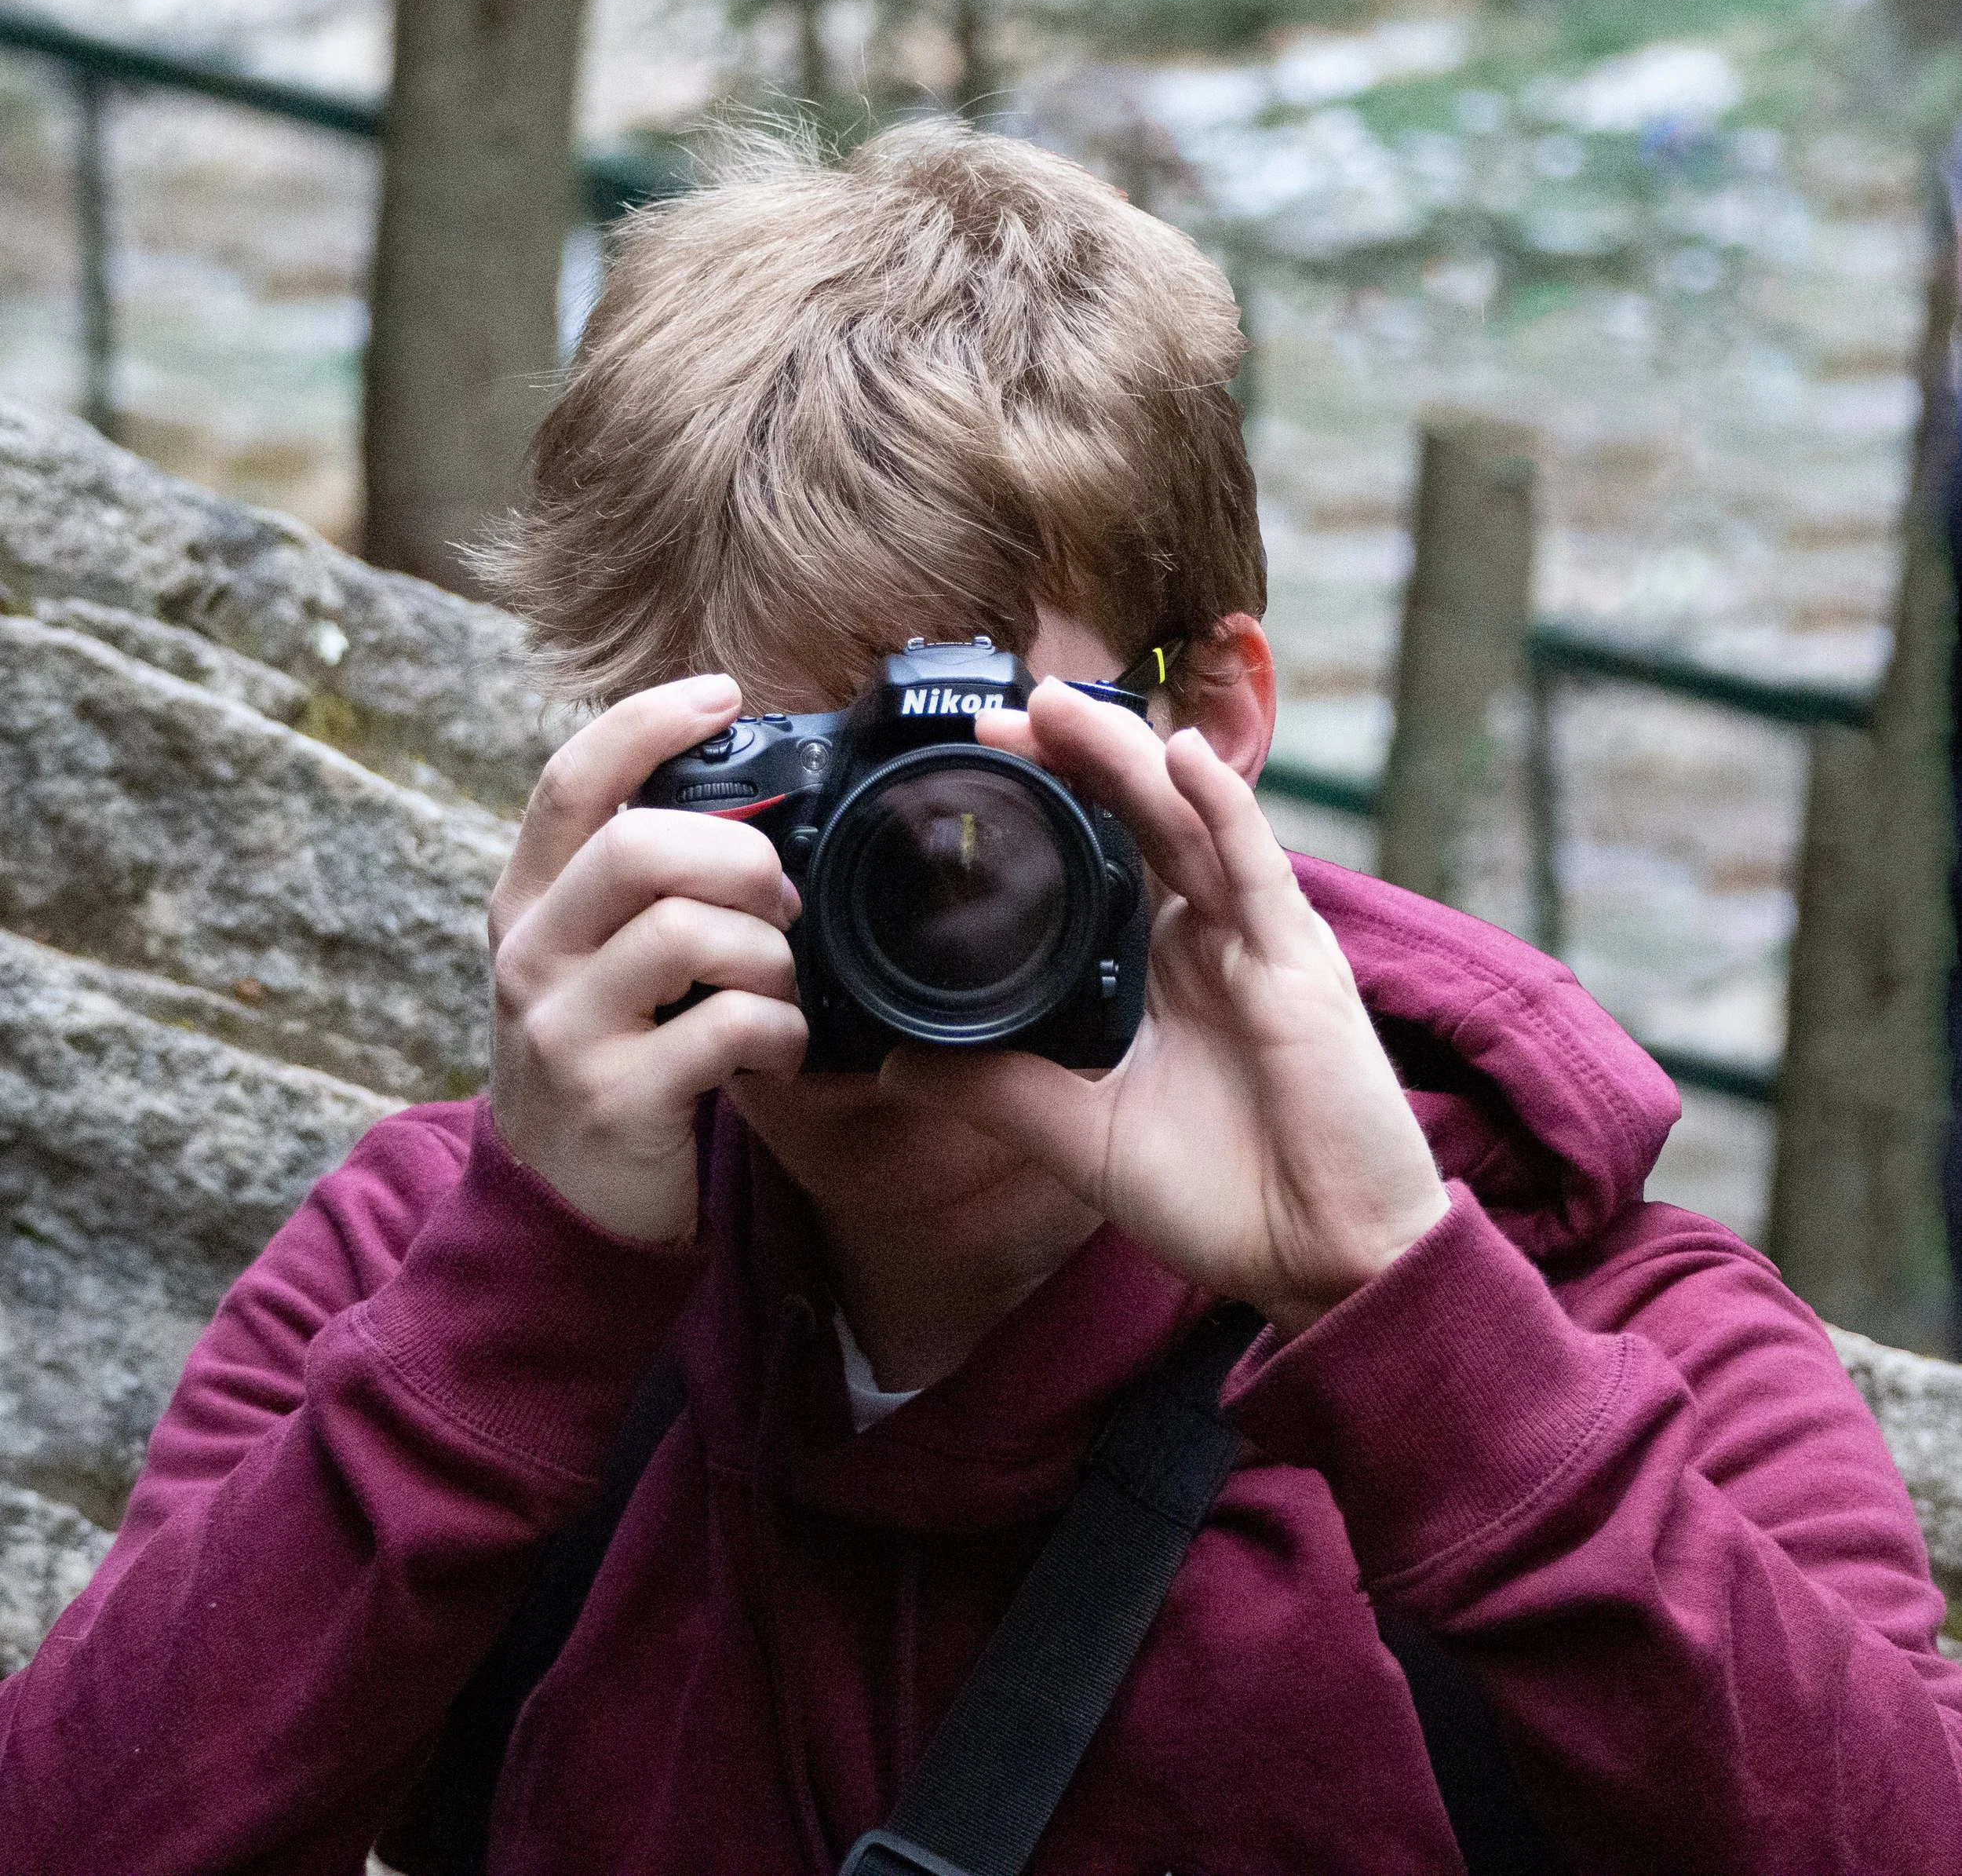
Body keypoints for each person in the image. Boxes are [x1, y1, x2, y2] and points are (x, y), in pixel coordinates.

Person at [3, 120, 1960, 1875]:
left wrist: (1404, 1316)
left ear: (1206, 722)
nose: (863, 878)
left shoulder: (1603, 1348)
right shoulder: (429, 1275)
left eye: (949, 797)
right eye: (764, 782)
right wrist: (524, 1293)